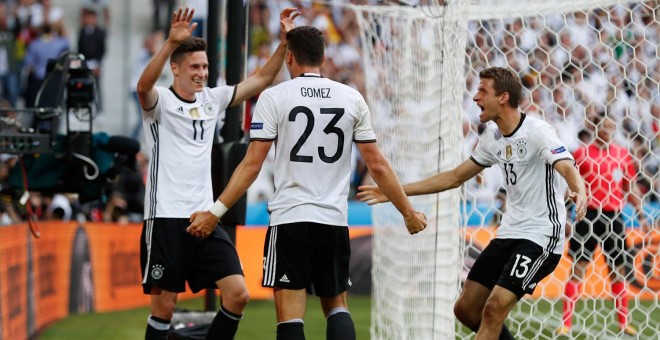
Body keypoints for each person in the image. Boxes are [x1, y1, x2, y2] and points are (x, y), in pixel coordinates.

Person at [187, 26, 428, 340]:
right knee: (337, 305)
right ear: (324, 56)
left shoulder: (274, 97)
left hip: (291, 216)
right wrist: (407, 212)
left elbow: (252, 164)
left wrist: (215, 211)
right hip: (333, 218)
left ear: (289, 57)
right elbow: (378, 164)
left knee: (289, 314)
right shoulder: (351, 97)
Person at [357, 67, 588, 340]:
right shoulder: (492, 136)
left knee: (493, 308)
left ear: (502, 98)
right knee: (466, 309)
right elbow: (454, 177)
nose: (476, 97)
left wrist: (579, 190)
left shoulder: (538, 131)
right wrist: (394, 192)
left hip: (540, 236)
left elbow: (566, 165)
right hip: (508, 232)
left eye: (482, 91)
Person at [136, 7, 299, 340]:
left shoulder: (213, 99)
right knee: (164, 308)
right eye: (195, 66)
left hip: (203, 216)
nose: (201, 73)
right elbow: (143, 87)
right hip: (165, 217)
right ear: (176, 68)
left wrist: (284, 44)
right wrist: (169, 43)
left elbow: (263, 79)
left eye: (205, 66)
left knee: (238, 294)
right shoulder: (161, 102)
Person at [559, 114, 650, 337]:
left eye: (611, 126)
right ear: (595, 128)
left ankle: (623, 322)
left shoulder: (622, 154)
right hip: (587, 215)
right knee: (578, 269)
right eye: (604, 126)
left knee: (618, 271)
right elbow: (571, 185)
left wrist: (641, 215)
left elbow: (630, 189)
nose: (608, 130)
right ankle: (566, 323)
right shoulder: (582, 154)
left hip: (614, 217)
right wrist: (565, 215)